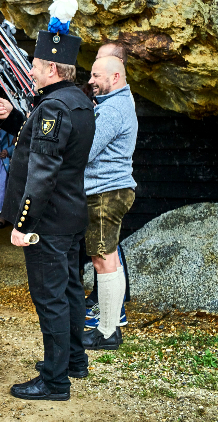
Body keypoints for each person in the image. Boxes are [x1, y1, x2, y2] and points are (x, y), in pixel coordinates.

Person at [0, 0, 95, 401]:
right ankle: (72, 360)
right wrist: (14, 118)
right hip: (70, 215)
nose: (31, 71)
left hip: (48, 221)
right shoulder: (76, 102)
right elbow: (49, 150)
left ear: (52, 67)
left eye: (35, 65)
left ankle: (55, 382)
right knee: (68, 291)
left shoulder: (53, 108)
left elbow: (44, 170)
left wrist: (23, 223)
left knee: (50, 298)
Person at [81, 55, 137, 350]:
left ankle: (107, 332)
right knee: (109, 259)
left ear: (115, 77)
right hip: (112, 190)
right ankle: (110, 328)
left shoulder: (113, 109)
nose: (90, 81)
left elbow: (86, 151)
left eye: (96, 75)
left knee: (103, 261)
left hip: (105, 193)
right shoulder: (117, 102)